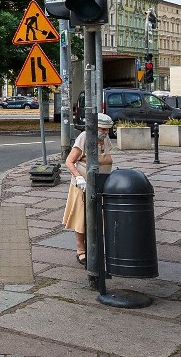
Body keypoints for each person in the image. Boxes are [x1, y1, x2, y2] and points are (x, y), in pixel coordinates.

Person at [62, 113, 114, 265]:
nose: (105, 133)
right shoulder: (84, 137)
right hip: (83, 186)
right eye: (102, 129)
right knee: (81, 217)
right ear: (95, 127)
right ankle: (81, 251)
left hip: (102, 184)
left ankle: (95, 246)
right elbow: (70, 161)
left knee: (99, 217)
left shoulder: (105, 139)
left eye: (107, 130)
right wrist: (79, 177)